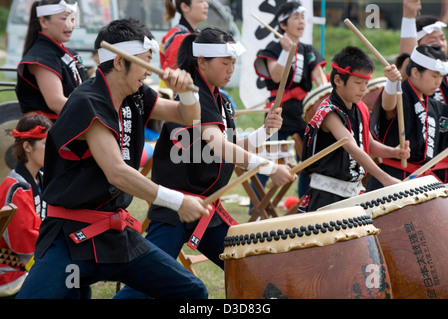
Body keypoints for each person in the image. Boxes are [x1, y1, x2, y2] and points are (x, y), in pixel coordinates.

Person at [16, 18, 210, 299]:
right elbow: (116, 172)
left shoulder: (136, 96)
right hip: (71, 236)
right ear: (120, 62)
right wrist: (178, 202)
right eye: (145, 61)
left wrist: (188, 93)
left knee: (191, 291)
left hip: (117, 235)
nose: (149, 71)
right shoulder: (87, 101)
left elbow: (186, 117)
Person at [114, 27, 297, 299]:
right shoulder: (195, 94)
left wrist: (265, 132)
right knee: (146, 285)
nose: (231, 69)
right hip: (176, 208)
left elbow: (231, 147)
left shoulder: (222, 100)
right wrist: (269, 167)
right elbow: (217, 145)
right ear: (202, 62)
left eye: (234, 63)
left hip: (207, 210)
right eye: (226, 63)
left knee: (249, 266)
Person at [298, 46, 410, 213]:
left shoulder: (360, 108)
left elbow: (367, 144)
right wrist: (384, 179)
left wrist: (393, 152)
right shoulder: (329, 113)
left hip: (352, 193)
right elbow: (351, 146)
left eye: (366, 83)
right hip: (328, 195)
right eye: (358, 83)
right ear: (338, 81)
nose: (364, 88)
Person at [253, 0, 328, 202]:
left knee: (309, 161)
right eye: (296, 17)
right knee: (264, 159)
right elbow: (276, 77)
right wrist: (286, 52)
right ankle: (257, 207)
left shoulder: (307, 50)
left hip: (303, 112)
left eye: (303, 17)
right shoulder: (274, 47)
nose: (301, 22)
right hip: (278, 111)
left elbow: (319, 77)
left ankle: (305, 204)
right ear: (283, 25)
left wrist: (324, 91)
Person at [367, 44, 448, 190]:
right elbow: (388, 105)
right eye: (434, 76)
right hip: (393, 180)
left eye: (441, 77)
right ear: (416, 73)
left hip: (422, 182)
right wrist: (392, 83)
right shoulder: (400, 96)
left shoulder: (436, 107)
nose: (438, 82)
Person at [0, 115, 51, 298]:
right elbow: (23, 243)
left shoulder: (43, 179)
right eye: (46, 144)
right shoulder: (15, 187)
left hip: (36, 264)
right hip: (11, 275)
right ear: (28, 146)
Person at [15, 0, 88, 121]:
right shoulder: (40, 56)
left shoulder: (70, 53)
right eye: (64, 19)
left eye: (73, 19)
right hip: (48, 130)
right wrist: (95, 112)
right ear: (43, 21)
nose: (70, 25)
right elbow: (56, 103)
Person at [399, 0, 448, 105]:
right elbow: (409, 58)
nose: (440, 44)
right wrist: (409, 17)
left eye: (442, 39)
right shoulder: (415, 70)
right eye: (432, 41)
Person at [160, 0, 209, 86]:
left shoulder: (193, 33)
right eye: (201, 1)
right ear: (185, 7)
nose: (206, 5)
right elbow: (175, 75)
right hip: (175, 94)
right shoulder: (179, 37)